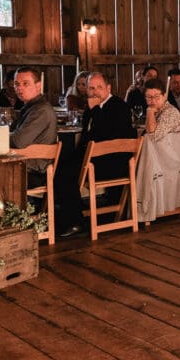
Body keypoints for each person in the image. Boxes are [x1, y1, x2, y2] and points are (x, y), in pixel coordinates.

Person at [53, 72, 135, 239]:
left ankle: (75, 222)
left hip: (114, 162)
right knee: (58, 167)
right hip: (95, 158)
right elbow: (87, 136)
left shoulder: (119, 106)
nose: (95, 92)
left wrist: (95, 109)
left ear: (108, 88)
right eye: (91, 88)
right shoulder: (92, 106)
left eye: (99, 87)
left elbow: (105, 135)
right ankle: (67, 217)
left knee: (65, 174)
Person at [9, 67, 59, 188]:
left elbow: (18, 141)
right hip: (24, 165)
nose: (20, 88)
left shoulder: (41, 110)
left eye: (25, 84)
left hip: (34, 172)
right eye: (17, 84)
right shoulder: (30, 107)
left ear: (38, 86)